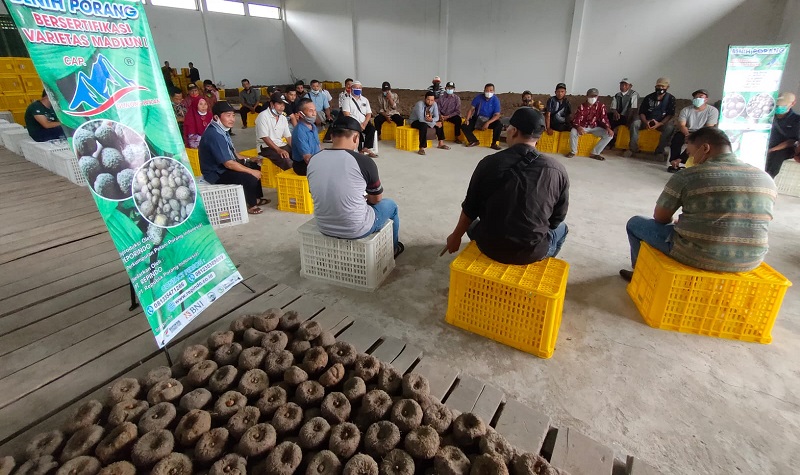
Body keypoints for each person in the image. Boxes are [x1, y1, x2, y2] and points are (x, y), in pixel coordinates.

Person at [619, 127, 776, 281]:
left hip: (698, 255)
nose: (691, 159)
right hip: (751, 260)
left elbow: (660, 217)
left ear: (705, 148)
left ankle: (640, 275)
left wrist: (677, 223)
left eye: (691, 153)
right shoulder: (765, 178)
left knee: (635, 223)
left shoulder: (688, 175)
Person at [445, 107, 569, 264]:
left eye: (508, 127)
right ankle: (541, 260)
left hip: (489, 246)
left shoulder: (488, 163)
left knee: (473, 226)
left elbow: (470, 208)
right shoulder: (556, 169)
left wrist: (455, 236)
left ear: (514, 131)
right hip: (531, 252)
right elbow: (557, 219)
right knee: (562, 228)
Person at [307, 115, 404, 258]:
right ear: (355, 138)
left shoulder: (314, 159)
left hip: (324, 226)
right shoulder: (363, 161)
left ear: (332, 136)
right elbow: (376, 199)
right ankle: (393, 250)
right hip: (356, 229)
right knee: (391, 205)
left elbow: (317, 191)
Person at [199, 101, 268, 215]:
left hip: (223, 167)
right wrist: (251, 171)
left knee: (255, 164)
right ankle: (252, 205)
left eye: (232, 115)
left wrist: (250, 159)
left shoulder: (221, 129)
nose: (232, 119)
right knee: (249, 176)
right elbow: (229, 163)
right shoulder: (214, 135)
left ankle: (255, 198)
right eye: (228, 115)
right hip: (216, 174)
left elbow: (232, 153)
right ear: (217, 117)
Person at [667, 89, 719, 172]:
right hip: (687, 131)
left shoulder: (712, 111)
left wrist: (694, 136)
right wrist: (687, 135)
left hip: (703, 133)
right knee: (677, 138)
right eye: (695, 97)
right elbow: (682, 125)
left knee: (696, 142)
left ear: (706, 99)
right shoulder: (686, 110)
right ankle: (673, 161)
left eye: (700, 97)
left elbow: (709, 127)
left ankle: (680, 160)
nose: (697, 98)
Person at [627, 77, 676, 158]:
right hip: (646, 121)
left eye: (663, 86)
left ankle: (659, 151)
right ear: (655, 86)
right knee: (635, 123)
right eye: (658, 86)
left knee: (670, 128)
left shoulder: (671, 99)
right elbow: (642, 112)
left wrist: (660, 123)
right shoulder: (648, 97)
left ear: (667, 87)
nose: (660, 88)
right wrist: (646, 122)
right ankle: (633, 149)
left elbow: (670, 115)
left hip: (661, 123)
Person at [567, 88, 614, 160]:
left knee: (609, 135)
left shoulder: (601, 106)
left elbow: (604, 118)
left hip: (595, 127)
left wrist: (608, 128)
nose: (593, 98)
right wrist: (579, 127)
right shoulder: (582, 107)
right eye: (591, 96)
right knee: (573, 132)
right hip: (583, 127)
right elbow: (576, 119)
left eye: (595, 96)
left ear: (597, 97)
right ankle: (573, 152)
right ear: (587, 96)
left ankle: (595, 153)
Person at [765, 92, 800, 178]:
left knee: (777, 156)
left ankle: (768, 179)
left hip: (784, 148)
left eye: (782, 105)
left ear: (792, 103)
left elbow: (791, 142)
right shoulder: (768, 116)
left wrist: (772, 150)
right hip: (767, 145)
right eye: (777, 105)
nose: (778, 107)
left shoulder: (796, 120)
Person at [255, 92, 293, 169]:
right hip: (266, 147)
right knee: (285, 160)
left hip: (281, 144)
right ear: (272, 104)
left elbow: (288, 137)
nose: (282, 107)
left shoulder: (283, 118)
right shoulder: (263, 116)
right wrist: (278, 150)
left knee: (298, 155)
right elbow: (265, 137)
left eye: (283, 105)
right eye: (279, 104)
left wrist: (296, 148)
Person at [340, 80, 378, 157]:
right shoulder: (347, 100)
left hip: (364, 122)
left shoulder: (365, 100)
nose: (358, 89)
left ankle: (366, 148)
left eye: (359, 88)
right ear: (352, 88)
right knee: (357, 131)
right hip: (353, 123)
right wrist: (357, 124)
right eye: (356, 88)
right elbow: (346, 114)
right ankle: (359, 150)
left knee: (371, 129)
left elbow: (368, 113)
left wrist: (364, 123)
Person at [462, 83, 503, 149]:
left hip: (489, 120)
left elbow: (497, 115)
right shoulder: (478, 98)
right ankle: (474, 141)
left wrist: (488, 123)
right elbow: (471, 109)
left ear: (494, 91)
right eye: (487, 90)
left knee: (499, 124)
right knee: (464, 126)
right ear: (484, 91)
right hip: (477, 118)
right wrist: (467, 119)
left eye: (491, 90)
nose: (489, 92)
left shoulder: (496, 100)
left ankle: (494, 143)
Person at [291, 98, 321, 176]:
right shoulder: (299, 131)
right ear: (301, 114)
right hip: (303, 165)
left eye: (315, 110)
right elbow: (307, 158)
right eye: (311, 111)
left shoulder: (313, 126)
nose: (314, 114)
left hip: (314, 161)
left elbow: (318, 146)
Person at [607, 78, 638, 148]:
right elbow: (613, 107)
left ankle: (612, 141)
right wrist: (615, 112)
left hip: (628, 116)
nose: (623, 86)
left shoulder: (634, 94)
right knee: (608, 117)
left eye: (625, 85)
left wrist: (628, 121)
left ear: (630, 86)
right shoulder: (617, 95)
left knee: (616, 120)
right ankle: (609, 140)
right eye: (622, 84)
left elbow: (633, 109)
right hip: (618, 116)